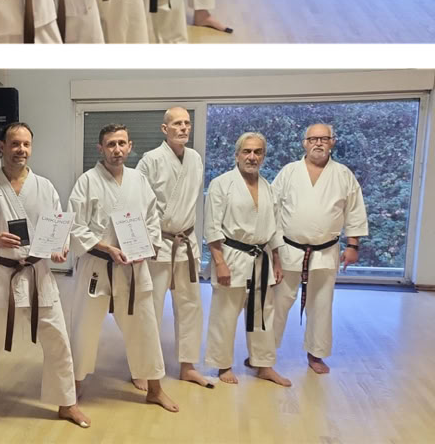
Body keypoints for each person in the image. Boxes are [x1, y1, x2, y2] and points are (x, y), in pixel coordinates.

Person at [0, 120, 87, 428]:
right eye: (15, 143)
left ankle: (67, 402)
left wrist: (59, 248)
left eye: (26, 144)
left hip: (38, 272)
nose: (21, 149)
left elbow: (58, 228)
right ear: (2, 147)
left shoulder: (45, 187)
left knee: (57, 337)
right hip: (0, 272)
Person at [69, 125, 179, 411]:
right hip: (97, 264)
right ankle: (74, 385)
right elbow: (76, 226)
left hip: (133, 266)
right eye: (110, 144)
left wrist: (148, 247)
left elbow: (152, 219)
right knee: (84, 327)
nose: (116, 149)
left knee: (145, 327)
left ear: (130, 146)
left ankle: (155, 388)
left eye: (121, 143)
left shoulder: (139, 180)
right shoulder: (87, 181)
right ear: (100, 148)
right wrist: (106, 248)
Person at [274, 123, 368, 375]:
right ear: (304, 143)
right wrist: (272, 247)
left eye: (324, 138)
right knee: (278, 301)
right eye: (313, 139)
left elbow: (354, 211)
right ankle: (265, 353)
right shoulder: (289, 172)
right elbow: (273, 208)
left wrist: (353, 245)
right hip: (288, 248)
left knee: (322, 304)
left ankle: (315, 354)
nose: (318, 143)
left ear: (332, 142)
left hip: (326, 250)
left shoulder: (343, 174)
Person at [135, 106, 212, 386]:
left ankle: (188, 365)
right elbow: (138, 202)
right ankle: (143, 368)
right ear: (164, 128)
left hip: (186, 243)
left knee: (191, 306)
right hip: (158, 243)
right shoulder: (150, 160)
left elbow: (191, 202)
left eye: (187, 123)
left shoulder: (195, 159)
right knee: (151, 307)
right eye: (177, 123)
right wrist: (145, 242)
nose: (183, 128)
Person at [205, 132, 289, 386]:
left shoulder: (268, 187)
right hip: (232, 256)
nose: (252, 157)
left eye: (257, 152)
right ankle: (223, 365)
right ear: (237, 155)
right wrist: (219, 262)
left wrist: (277, 260)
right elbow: (212, 227)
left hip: (261, 258)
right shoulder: (222, 184)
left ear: (263, 156)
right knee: (225, 314)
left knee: (262, 315)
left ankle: (263, 364)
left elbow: (275, 226)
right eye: (247, 151)